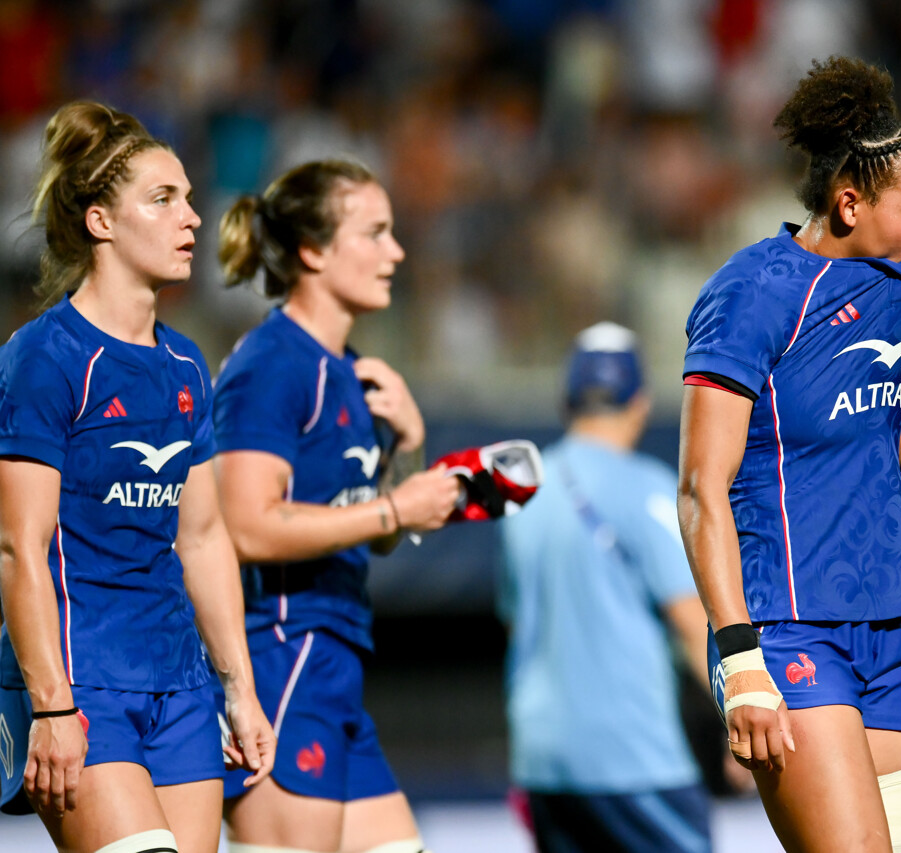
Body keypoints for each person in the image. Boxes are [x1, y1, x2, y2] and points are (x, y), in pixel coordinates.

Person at [678, 57, 901, 853]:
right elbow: (701, 488)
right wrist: (739, 656)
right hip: (788, 630)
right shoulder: (754, 292)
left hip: (893, 639)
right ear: (850, 202)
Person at [0, 101, 275, 853]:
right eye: (164, 199)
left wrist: (240, 691)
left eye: (189, 197)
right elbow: (22, 547)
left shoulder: (186, 363)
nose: (192, 217)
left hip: (181, 685)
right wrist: (51, 707)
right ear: (100, 222)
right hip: (83, 683)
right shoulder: (46, 357)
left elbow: (205, 535)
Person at [213, 159, 461, 853]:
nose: (397, 252)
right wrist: (394, 509)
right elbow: (247, 525)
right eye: (376, 233)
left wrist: (406, 449)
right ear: (313, 250)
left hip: (333, 662)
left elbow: (367, 531)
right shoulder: (273, 364)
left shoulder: (349, 368)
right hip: (280, 656)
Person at [499, 322, 714, 853]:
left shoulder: (522, 496)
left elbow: (515, 621)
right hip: (634, 758)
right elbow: (693, 624)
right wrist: (744, 725)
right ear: (639, 402)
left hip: (544, 760)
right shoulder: (648, 489)